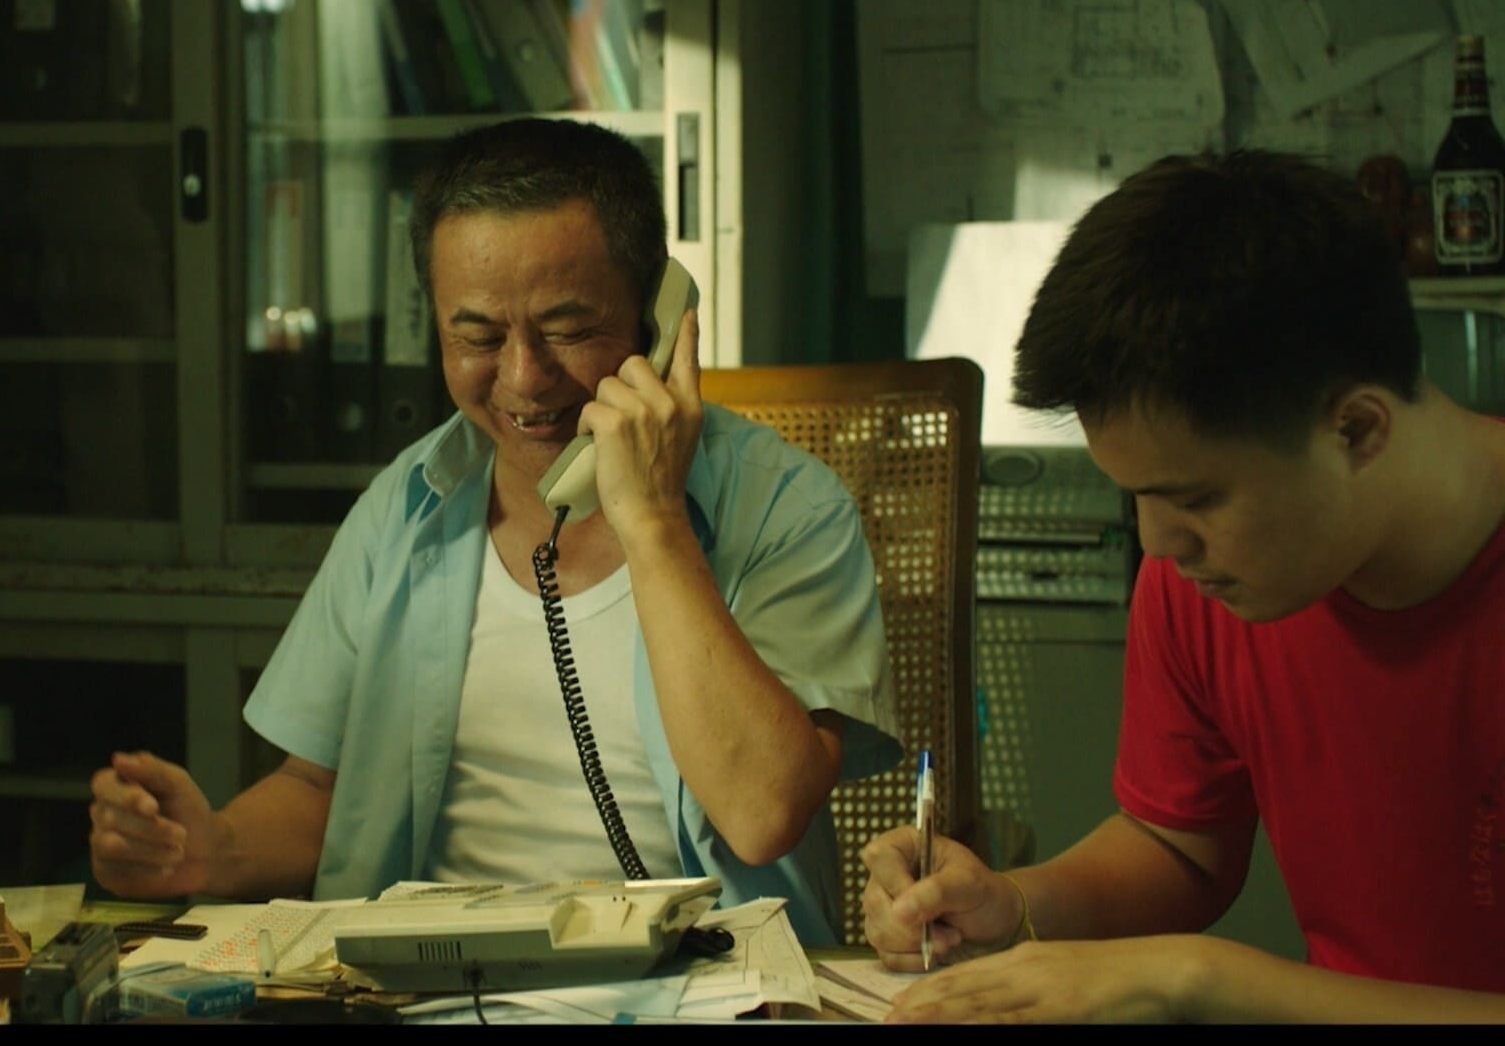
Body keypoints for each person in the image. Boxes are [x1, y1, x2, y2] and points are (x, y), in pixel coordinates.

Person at [88, 117, 901, 947]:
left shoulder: (788, 508)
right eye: (477, 337)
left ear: (656, 319)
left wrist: (654, 521)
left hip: (697, 983)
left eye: (568, 331)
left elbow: (764, 814)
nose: (523, 378)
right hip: (424, 982)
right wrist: (210, 849)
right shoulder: (408, 503)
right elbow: (319, 788)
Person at [860, 148, 1505, 1022]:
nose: (1159, 545)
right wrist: (1010, 908)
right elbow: (1178, 846)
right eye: (1136, 496)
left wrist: (1195, 977)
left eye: (1194, 498)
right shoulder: (1205, 581)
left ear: (1356, 431)